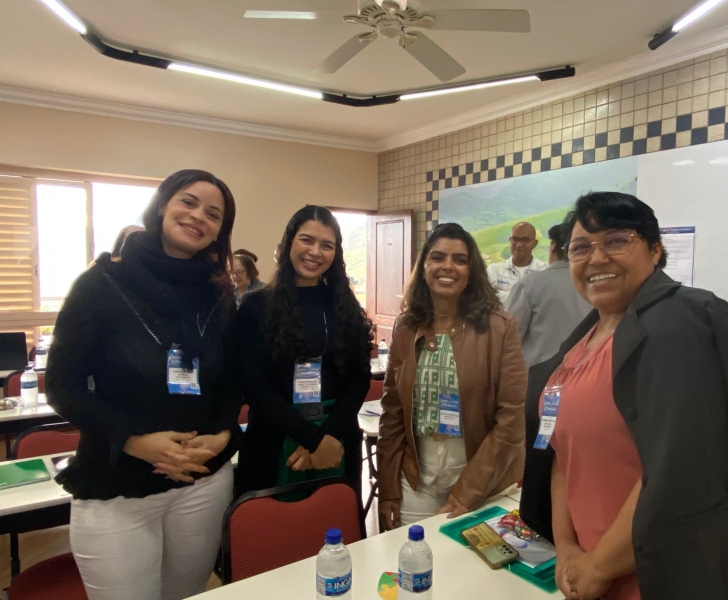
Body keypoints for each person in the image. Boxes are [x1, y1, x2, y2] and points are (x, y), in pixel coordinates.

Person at [520, 192, 728, 600]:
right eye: (580, 247)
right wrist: (566, 548)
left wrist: (600, 566)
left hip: (660, 576)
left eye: (617, 240)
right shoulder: (582, 341)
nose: (596, 258)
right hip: (587, 573)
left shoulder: (681, 331)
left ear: (655, 250)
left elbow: (683, 472)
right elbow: (562, 451)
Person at [46, 169, 242, 600]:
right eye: (188, 202)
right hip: (117, 484)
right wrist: (133, 439)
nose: (198, 216)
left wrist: (224, 434)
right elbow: (63, 388)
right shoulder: (100, 284)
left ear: (219, 232)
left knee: (188, 593)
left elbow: (232, 382)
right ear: (162, 205)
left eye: (213, 214)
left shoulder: (219, 294)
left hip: (202, 481)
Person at [377, 223, 527, 529]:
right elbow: (393, 412)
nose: (448, 266)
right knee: (414, 554)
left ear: (472, 271)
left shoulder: (500, 328)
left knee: (468, 560)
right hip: (417, 476)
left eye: (460, 260)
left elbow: (512, 419)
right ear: (424, 267)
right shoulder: (406, 327)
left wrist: (467, 491)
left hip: (481, 476)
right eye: (438, 257)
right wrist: (388, 488)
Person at [236, 205, 373, 495]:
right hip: (273, 438)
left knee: (334, 520)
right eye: (307, 240)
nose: (315, 252)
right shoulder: (256, 306)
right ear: (289, 243)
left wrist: (327, 437)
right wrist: (312, 439)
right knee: (270, 522)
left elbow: (360, 377)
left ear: (336, 253)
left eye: (327, 245)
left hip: (337, 438)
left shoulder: (343, 306)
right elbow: (253, 385)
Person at [506, 223, 592, 368]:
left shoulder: (529, 284)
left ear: (553, 246)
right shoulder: (594, 285)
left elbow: (509, 338)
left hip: (539, 374)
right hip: (586, 371)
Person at [486, 221, 547, 306]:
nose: (519, 245)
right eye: (515, 239)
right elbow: (488, 299)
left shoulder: (545, 270)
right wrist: (530, 297)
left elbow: (545, 301)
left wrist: (501, 295)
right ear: (509, 241)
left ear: (534, 243)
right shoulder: (494, 269)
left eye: (525, 240)